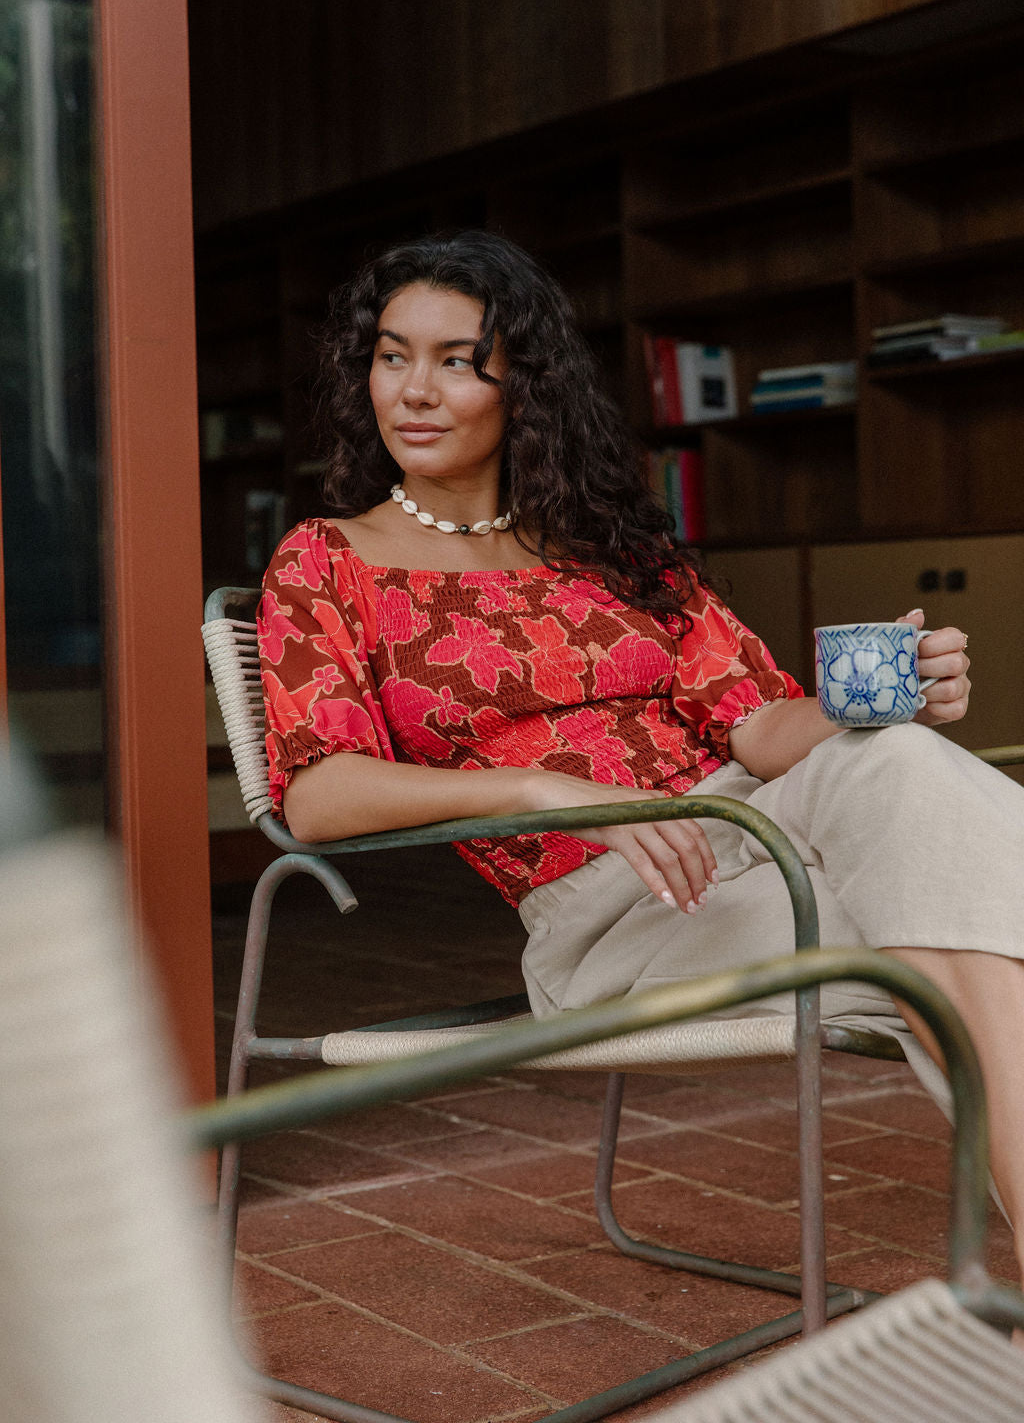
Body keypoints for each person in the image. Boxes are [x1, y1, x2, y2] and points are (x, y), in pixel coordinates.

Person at [258, 228, 1024, 1283]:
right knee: (950, 925)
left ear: (524, 380)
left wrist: (889, 691)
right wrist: (547, 788)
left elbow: (760, 726)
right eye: (393, 356)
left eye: (456, 359)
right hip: (616, 915)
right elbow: (317, 794)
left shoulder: (613, 549)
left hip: (761, 825)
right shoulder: (327, 561)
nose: (416, 392)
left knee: (896, 763)